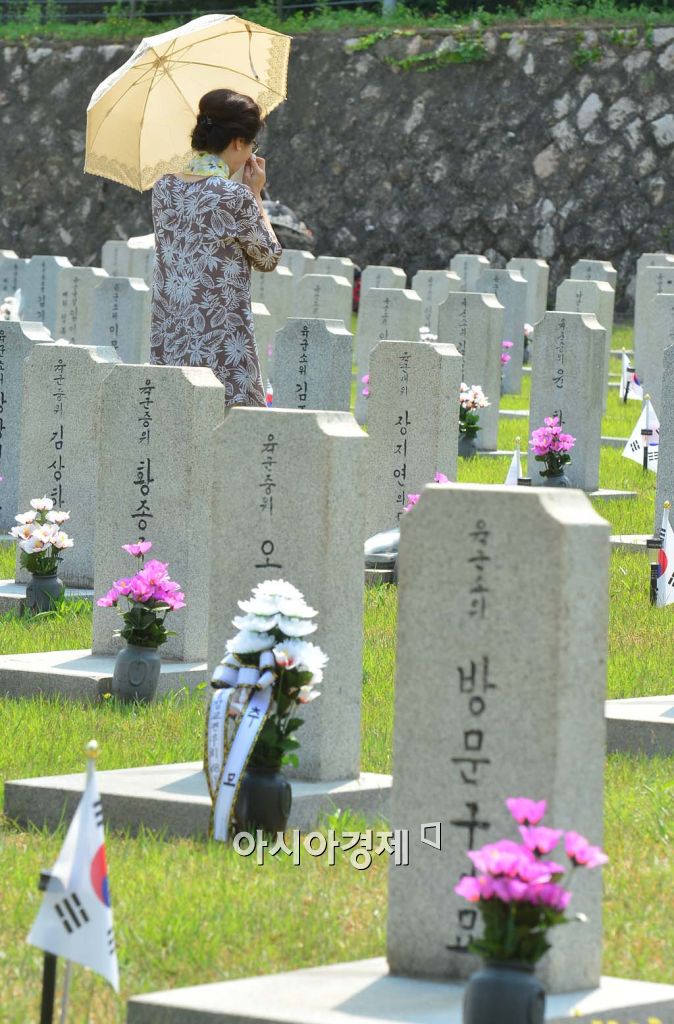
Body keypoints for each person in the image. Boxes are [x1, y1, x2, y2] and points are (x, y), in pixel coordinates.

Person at [150, 89, 282, 406]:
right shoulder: (234, 196)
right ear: (237, 142)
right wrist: (256, 194)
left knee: (176, 418)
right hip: (220, 339)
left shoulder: (164, 186)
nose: (250, 153)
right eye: (251, 145)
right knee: (224, 420)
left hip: (171, 332)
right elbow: (268, 256)